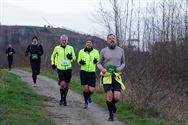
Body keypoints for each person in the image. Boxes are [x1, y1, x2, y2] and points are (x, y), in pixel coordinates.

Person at [97, 34, 126, 121]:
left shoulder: (121, 50)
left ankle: (113, 106)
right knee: (109, 96)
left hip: (116, 76)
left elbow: (123, 63)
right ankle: (111, 114)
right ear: (107, 41)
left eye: (113, 38)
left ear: (116, 40)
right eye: (110, 39)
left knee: (116, 97)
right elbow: (98, 63)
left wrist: (120, 68)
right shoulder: (103, 51)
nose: (111, 40)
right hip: (106, 76)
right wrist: (102, 69)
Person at [51, 34, 76, 106]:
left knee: (67, 85)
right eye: (63, 40)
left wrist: (70, 57)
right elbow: (53, 56)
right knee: (62, 84)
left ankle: (64, 99)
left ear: (67, 41)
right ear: (60, 41)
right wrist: (53, 63)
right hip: (60, 69)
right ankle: (62, 98)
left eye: (65, 40)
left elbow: (74, 57)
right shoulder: (57, 48)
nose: (64, 42)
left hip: (68, 69)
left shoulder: (71, 48)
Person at [77, 39, 99, 109]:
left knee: (91, 90)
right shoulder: (81, 51)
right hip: (83, 72)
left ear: (92, 44)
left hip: (92, 72)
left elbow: (99, 60)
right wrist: (81, 62)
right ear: (85, 44)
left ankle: (89, 96)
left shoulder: (96, 52)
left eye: (90, 43)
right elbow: (78, 61)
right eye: (87, 42)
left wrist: (96, 61)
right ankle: (86, 102)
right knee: (86, 89)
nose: (88, 44)